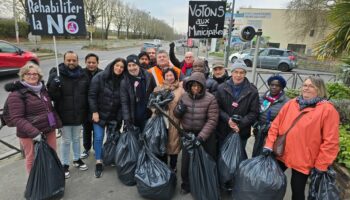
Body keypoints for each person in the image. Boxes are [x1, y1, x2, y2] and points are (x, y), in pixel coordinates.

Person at [264, 76, 340, 200]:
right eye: (305, 85)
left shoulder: (327, 110)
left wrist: (321, 165)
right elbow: (275, 126)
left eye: (311, 86)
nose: (306, 88)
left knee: (297, 191)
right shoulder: (292, 103)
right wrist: (269, 144)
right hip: (282, 152)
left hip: (303, 159)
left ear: (319, 89)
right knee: (270, 183)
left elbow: (330, 142)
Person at [5, 63, 62, 174]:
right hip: (28, 134)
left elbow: (49, 109)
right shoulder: (16, 94)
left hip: (48, 129)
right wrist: (35, 133)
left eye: (35, 74)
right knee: (32, 158)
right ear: (23, 76)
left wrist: (57, 124)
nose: (32, 76)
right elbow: (17, 118)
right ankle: (34, 185)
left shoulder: (42, 89)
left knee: (52, 154)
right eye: (28, 74)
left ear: (39, 76)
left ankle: (50, 179)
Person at [174, 72, 219, 194]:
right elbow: (176, 114)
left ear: (203, 86)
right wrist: (178, 111)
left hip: (204, 136)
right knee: (186, 162)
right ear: (189, 86)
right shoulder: (184, 97)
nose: (195, 88)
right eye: (193, 85)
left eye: (198, 86)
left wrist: (201, 137)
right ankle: (186, 185)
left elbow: (212, 120)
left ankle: (203, 185)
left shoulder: (210, 99)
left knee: (206, 162)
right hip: (188, 135)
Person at [47, 51, 90, 179]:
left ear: (77, 61)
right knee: (66, 141)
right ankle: (64, 164)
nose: (71, 63)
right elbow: (51, 96)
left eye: (74, 60)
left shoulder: (83, 75)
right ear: (64, 60)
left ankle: (77, 159)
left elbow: (87, 94)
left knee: (77, 139)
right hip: (63, 115)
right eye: (68, 60)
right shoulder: (57, 74)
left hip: (79, 114)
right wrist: (54, 85)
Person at [88, 58, 126, 178]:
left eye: (121, 67)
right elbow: (92, 95)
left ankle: (110, 157)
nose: (119, 68)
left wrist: (120, 117)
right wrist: (94, 112)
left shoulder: (124, 80)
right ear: (112, 65)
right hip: (99, 115)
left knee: (112, 138)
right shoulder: (100, 77)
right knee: (98, 138)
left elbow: (123, 100)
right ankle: (99, 161)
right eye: (117, 65)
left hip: (114, 116)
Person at [215, 61, 259, 155]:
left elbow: (254, 112)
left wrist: (240, 124)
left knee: (237, 158)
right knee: (222, 158)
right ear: (232, 73)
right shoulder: (221, 88)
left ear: (245, 74)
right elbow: (217, 108)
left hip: (241, 132)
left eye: (241, 72)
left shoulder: (252, 91)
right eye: (236, 72)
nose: (238, 75)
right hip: (224, 131)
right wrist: (228, 120)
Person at [153, 68, 185, 172]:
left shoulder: (180, 90)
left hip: (174, 121)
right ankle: (163, 166)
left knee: (174, 144)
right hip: (161, 121)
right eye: (167, 76)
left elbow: (184, 105)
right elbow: (151, 104)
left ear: (175, 76)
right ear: (164, 77)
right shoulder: (158, 88)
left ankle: (173, 167)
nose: (169, 77)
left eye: (171, 75)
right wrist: (156, 109)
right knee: (162, 143)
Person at [252, 75, 289, 157]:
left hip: (273, 134)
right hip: (259, 131)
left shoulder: (286, 102)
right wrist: (255, 123)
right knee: (256, 154)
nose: (274, 87)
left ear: (282, 88)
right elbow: (254, 112)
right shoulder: (262, 98)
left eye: (277, 86)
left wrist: (272, 126)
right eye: (272, 85)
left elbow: (286, 120)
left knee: (267, 156)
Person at [121, 54, 156, 132]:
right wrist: (127, 119)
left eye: (134, 65)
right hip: (133, 117)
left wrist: (155, 111)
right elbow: (124, 102)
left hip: (148, 115)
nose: (132, 68)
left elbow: (155, 92)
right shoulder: (125, 81)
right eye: (129, 65)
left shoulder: (148, 75)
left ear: (138, 65)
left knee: (147, 140)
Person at [81, 53, 103, 159]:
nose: (91, 64)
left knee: (97, 131)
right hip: (85, 108)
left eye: (93, 62)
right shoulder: (81, 73)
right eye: (89, 62)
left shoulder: (102, 74)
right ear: (85, 62)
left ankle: (96, 148)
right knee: (86, 130)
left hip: (98, 108)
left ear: (97, 63)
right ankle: (86, 148)